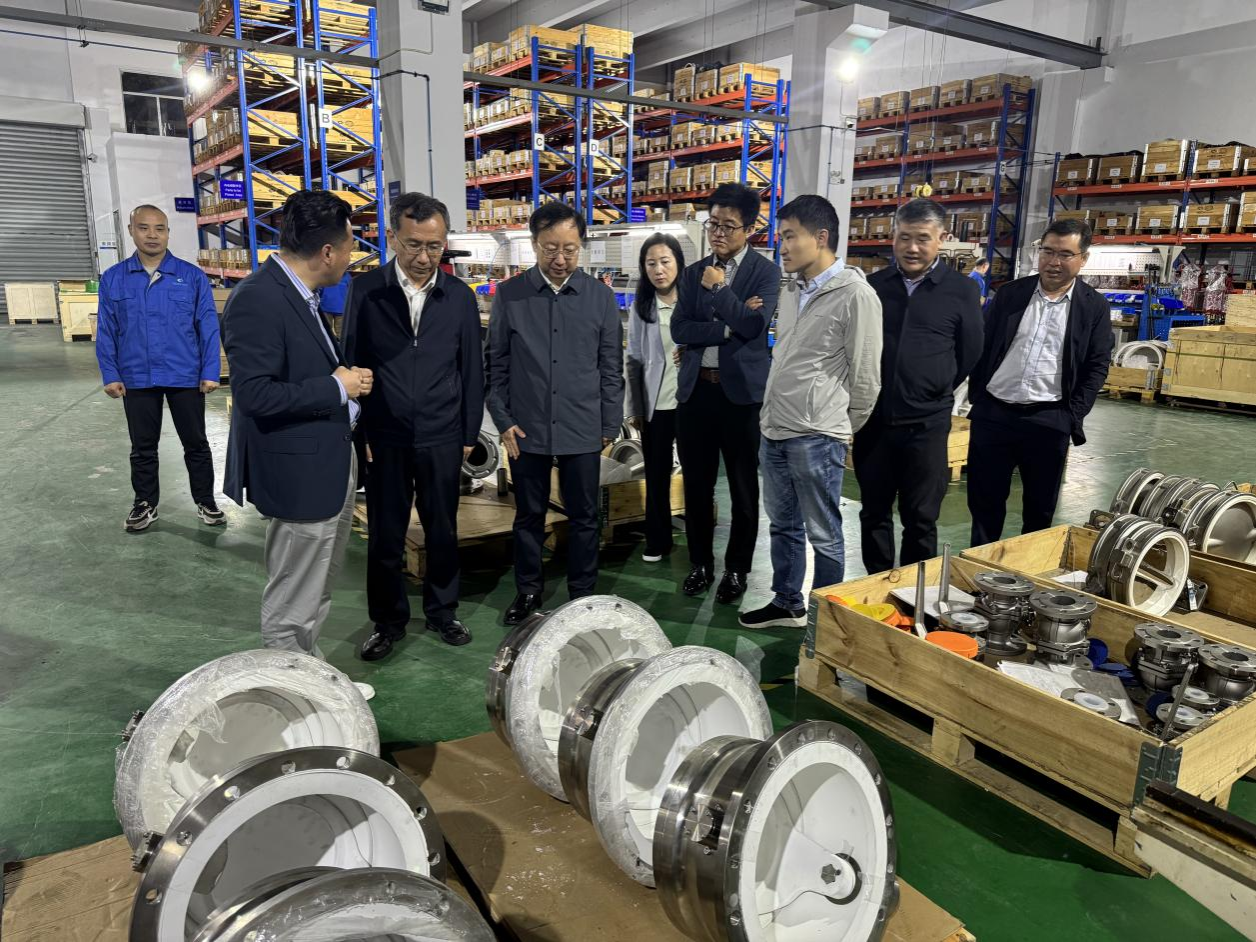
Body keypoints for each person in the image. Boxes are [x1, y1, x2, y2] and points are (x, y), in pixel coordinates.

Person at [222, 190, 373, 657]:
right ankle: (288, 688)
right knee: (292, 602)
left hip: (326, 464)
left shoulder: (300, 294)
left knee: (315, 587)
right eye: (350, 246)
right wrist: (336, 388)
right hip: (298, 475)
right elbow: (255, 395)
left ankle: (311, 677)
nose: (351, 256)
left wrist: (344, 389)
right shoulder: (259, 299)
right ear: (327, 251)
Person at [342, 193, 484, 659]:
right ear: (392, 239)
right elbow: (352, 362)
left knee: (442, 530)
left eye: (434, 246)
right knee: (386, 534)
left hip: (443, 434)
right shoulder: (367, 291)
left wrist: (468, 433)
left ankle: (443, 611)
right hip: (385, 435)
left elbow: (471, 369)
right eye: (413, 245)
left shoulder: (459, 297)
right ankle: (387, 621)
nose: (424, 257)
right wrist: (360, 433)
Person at [741, 195, 882, 629]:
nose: (781, 247)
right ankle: (787, 602)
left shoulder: (856, 295)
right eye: (780, 237)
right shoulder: (791, 290)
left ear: (820, 237)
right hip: (775, 428)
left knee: (824, 533)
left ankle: (825, 623)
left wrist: (837, 426)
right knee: (782, 525)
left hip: (817, 435)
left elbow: (866, 376)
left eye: (789, 237)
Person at [486, 201, 624, 626]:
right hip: (526, 426)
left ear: (581, 247)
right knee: (529, 514)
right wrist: (503, 419)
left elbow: (610, 367)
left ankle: (583, 593)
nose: (560, 259)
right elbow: (496, 365)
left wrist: (608, 424)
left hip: (583, 424)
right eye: (550, 249)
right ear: (534, 245)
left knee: (584, 515)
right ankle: (528, 589)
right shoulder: (510, 295)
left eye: (569, 249)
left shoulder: (600, 297)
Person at [966, 219, 1113, 546]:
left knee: (1039, 510)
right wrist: (979, 397)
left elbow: (1097, 364)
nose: (1053, 262)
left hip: (1049, 420)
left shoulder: (1093, 307)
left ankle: (1029, 572)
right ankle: (978, 566)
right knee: (984, 504)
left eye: (1065, 254)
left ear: (1083, 259)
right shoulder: (1011, 295)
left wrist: (1072, 415)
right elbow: (982, 346)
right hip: (995, 415)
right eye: (1047, 251)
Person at [857, 198, 983, 574]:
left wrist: (933, 387)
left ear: (941, 239)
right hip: (874, 422)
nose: (912, 248)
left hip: (926, 425)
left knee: (921, 517)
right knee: (874, 512)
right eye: (904, 237)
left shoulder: (961, 290)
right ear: (894, 237)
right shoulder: (873, 287)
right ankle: (875, 586)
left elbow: (970, 352)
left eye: (923, 239)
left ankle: (915, 594)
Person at [671, 183, 781, 604]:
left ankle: (736, 570)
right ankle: (700, 564)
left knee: (742, 489)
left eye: (728, 226)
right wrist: (726, 327)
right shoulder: (692, 272)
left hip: (741, 400)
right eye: (713, 224)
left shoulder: (765, 273)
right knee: (697, 486)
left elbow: (754, 327)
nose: (717, 233)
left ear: (749, 229)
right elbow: (680, 328)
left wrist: (719, 290)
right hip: (697, 392)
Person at [96, 204, 225, 532]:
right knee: (143, 447)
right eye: (144, 228)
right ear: (131, 231)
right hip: (136, 375)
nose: (152, 235)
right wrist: (110, 374)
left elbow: (208, 326)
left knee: (196, 443)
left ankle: (205, 500)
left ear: (168, 232)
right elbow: (107, 330)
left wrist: (210, 371)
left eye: (160, 228)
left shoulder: (191, 277)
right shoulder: (114, 279)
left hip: (184, 373)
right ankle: (145, 503)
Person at [625, 233, 686, 562]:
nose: (659, 270)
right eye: (651, 264)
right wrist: (634, 406)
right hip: (656, 405)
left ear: (678, 262)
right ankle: (657, 539)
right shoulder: (642, 307)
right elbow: (633, 359)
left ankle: (698, 540)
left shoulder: (693, 302)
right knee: (657, 474)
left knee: (698, 475)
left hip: (690, 403)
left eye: (665, 261)